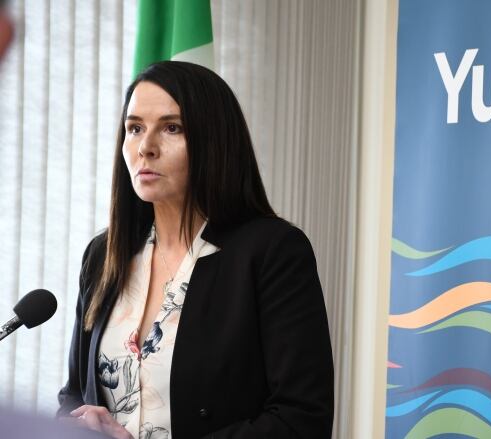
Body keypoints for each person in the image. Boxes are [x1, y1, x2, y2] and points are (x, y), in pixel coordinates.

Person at [56, 61, 334, 438]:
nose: (146, 147)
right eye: (134, 128)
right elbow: (73, 396)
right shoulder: (103, 254)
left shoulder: (273, 252)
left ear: (214, 140)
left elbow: (300, 419)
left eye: (172, 128)